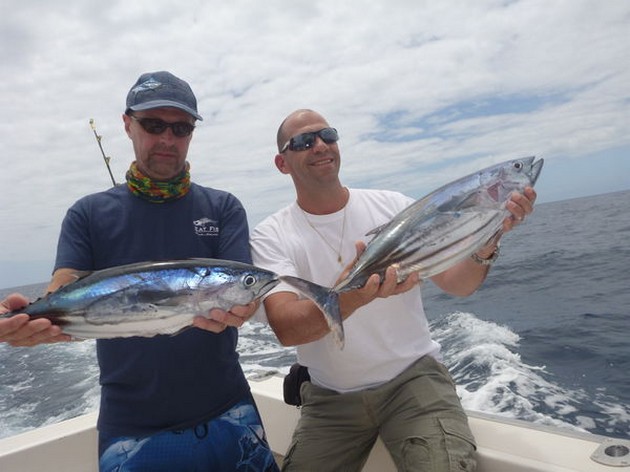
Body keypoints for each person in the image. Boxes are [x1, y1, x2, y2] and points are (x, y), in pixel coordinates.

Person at [0, 71, 279, 471]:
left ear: (191, 133)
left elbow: (242, 292)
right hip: (131, 429)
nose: (167, 139)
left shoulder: (223, 208)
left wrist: (243, 309)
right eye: (153, 125)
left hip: (230, 410)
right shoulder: (88, 214)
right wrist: (32, 326)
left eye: (180, 128)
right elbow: (65, 291)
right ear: (127, 124)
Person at [250, 109, 537, 471]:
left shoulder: (394, 207)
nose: (320, 145)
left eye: (328, 135)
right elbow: (288, 328)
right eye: (305, 141)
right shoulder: (271, 235)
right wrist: (359, 292)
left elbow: (459, 285)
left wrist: (487, 240)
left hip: (413, 382)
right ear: (282, 163)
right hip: (329, 397)